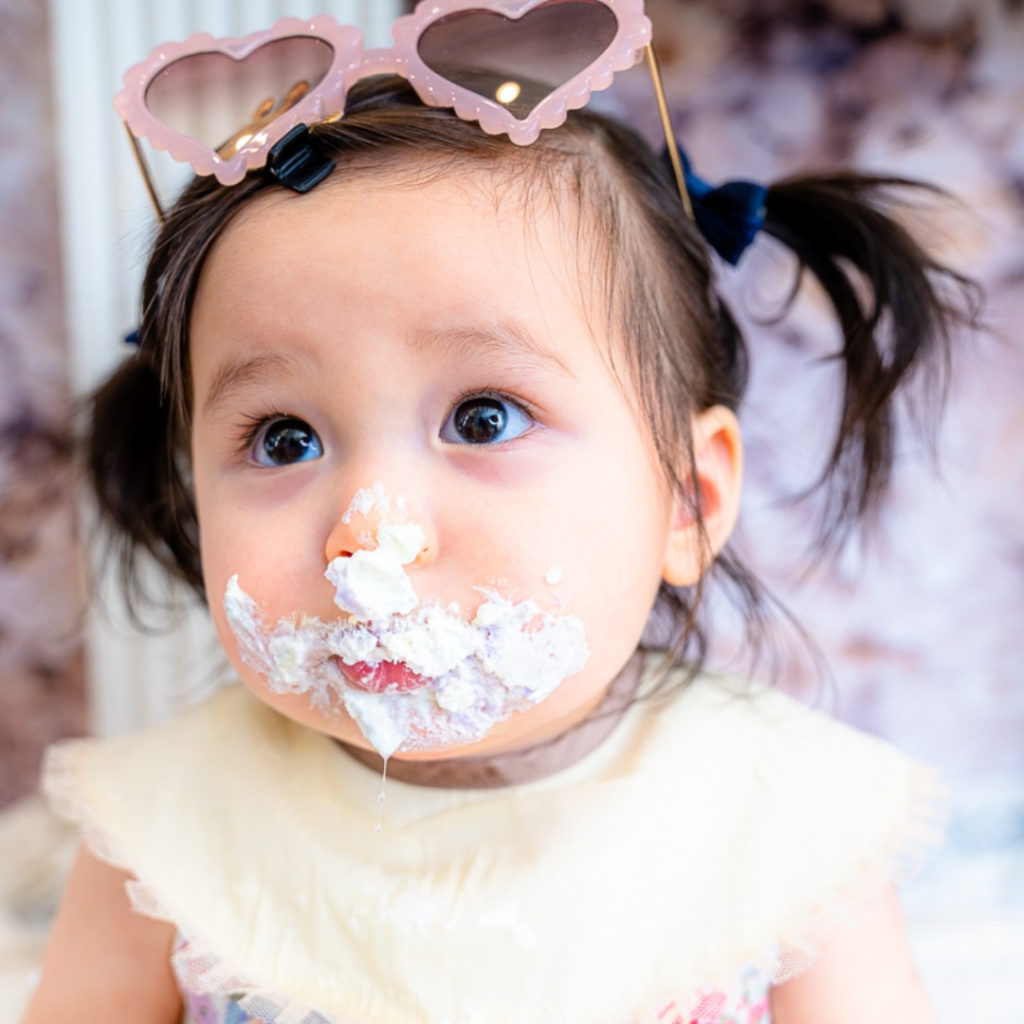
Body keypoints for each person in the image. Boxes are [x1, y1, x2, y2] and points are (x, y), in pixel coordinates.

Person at [24, 5, 975, 1022]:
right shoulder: (162, 838)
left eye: (483, 419)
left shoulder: (786, 830)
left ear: (687, 500)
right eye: (285, 438)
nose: (370, 532)